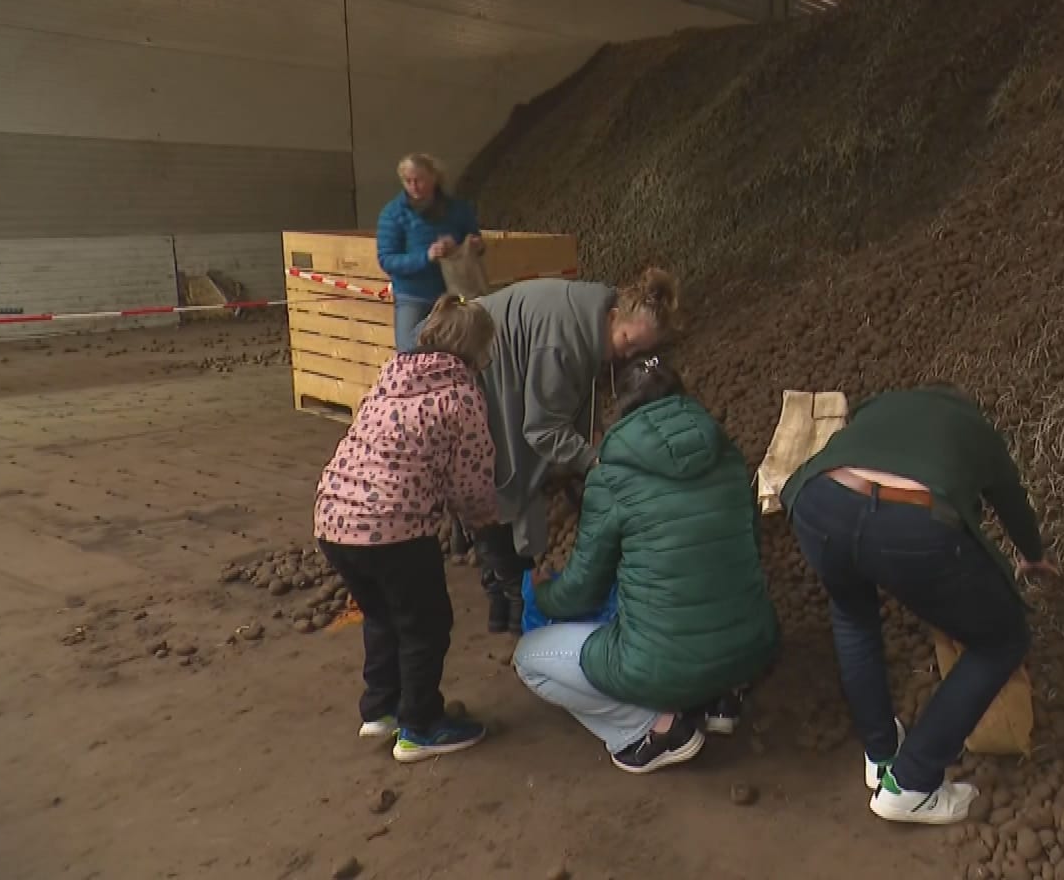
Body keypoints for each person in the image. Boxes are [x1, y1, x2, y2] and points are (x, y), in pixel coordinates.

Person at [783, 384, 1057, 826]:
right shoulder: (976, 429)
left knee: (853, 616)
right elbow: (1011, 501)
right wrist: (1032, 554)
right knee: (1002, 639)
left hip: (819, 502)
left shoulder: (882, 402)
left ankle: (879, 752)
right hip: (909, 524)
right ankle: (911, 782)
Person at [513, 354, 778, 773]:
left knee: (530, 659)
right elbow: (747, 547)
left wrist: (543, 594)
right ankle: (720, 697)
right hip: (752, 647)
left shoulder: (612, 476)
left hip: (665, 664)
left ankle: (656, 728)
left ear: (618, 409)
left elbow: (583, 589)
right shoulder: (728, 456)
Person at [313, 295, 499, 764]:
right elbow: (471, 481)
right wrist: (487, 524)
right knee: (426, 624)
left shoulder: (391, 377)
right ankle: (421, 726)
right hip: (393, 528)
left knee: (383, 614)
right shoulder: (462, 393)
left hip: (333, 518)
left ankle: (382, 707)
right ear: (476, 348)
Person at [474, 269, 681, 633]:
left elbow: (578, 388)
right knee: (495, 482)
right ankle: (508, 598)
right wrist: (592, 458)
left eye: (639, 351)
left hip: (501, 366)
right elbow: (542, 427)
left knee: (502, 483)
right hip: (480, 370)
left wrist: (592, 433)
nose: (627, 355)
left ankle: (511, 598)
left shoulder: (596, 310)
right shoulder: (562, 342)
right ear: (615, 317)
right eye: (627, 342)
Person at [376, 152, 482, 353]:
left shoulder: (457, 209)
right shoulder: (392, 214)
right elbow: (387, 259)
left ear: (434, 177)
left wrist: (468, 245)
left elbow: (475, 238)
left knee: (462, 350)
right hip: (413, 296)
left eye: (419, 180)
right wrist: (426, 256)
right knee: (408, 352)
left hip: (454, 292)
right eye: (408, 181)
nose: (414, 187)